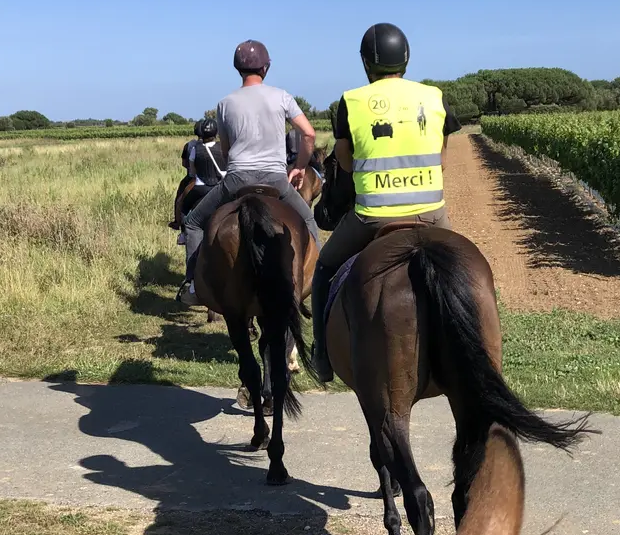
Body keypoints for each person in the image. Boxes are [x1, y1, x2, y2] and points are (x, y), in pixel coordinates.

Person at [309, 22, 462, 382]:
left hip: (372, 216)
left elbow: (345, 163)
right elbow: (441, 158)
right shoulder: (433, 96)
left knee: (324, 269)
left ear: (366, 63)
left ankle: (322, 356)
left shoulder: (352, 102)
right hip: (430, 213)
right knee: (463, 274)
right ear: (406, 59)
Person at [179, 40, 321, 305]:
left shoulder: (225, 104)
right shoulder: (282, 96)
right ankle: (321, 283)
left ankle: (194, 286)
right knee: (309, 224)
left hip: (236, 180)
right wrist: (299, 166)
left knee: (194, 222)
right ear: (265, 68)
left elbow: (227, 148)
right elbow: (309, 133)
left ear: (238, 69)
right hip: (276, 180)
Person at [171, 117, 227, 233]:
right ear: (216, 133)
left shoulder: (192, 146)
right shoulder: (223, 146)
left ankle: (181, 228)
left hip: (200, 184)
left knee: (181, 202)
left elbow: (188, 167)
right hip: (223, 184)